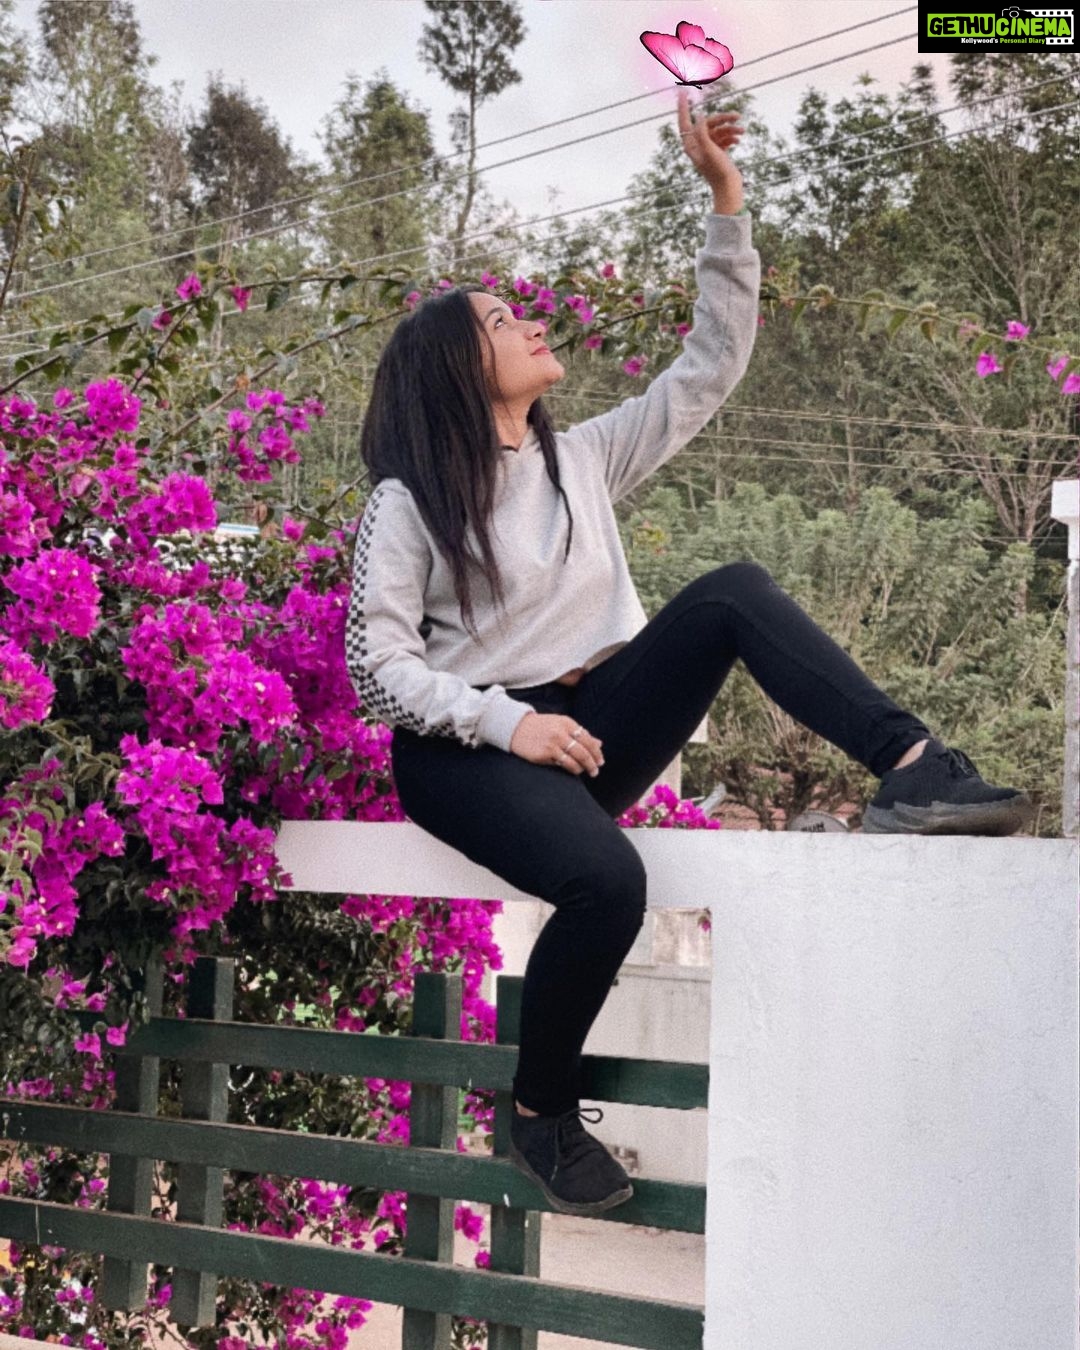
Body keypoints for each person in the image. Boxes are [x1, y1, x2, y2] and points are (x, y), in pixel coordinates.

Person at [344, 90, 1033, 1218]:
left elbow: (708, 366)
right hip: (466, 747)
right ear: (460, 372)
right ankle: (540, 1113)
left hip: (584, 732)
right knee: (608, 880)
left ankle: (914, 768)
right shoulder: (409, 503)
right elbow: (378, 673)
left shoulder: (585, 462)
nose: (530, 323)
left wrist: (725, 199)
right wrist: (507, 721)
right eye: (501, 320)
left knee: (730, 597)